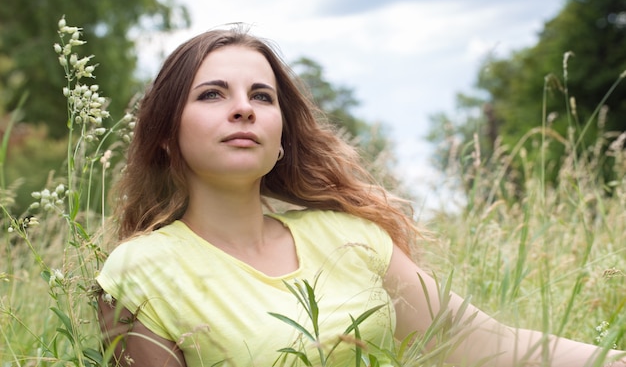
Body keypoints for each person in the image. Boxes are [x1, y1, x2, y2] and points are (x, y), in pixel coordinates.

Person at [96, 25, 626, 367]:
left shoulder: (349, 239)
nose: (244, 109)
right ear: (165, 134)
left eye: (262, 96)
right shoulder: (140, 272)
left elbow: (490, 346)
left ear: (282, 136)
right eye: (213, 94)